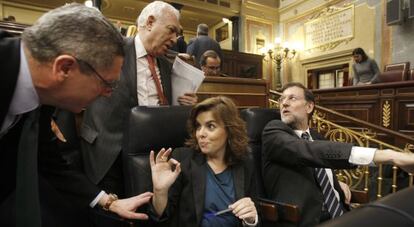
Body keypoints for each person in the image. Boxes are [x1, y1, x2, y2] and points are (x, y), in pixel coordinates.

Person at [0, 4, 153, 227]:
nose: (107, 94)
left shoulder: (43, 93)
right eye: (107, 84)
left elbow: (49, 162)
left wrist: (109, 202)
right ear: (64, 68)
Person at [80, 0, 198, 198]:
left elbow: (169, 110)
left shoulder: (169, 66)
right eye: (171, 30)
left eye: (177, 33)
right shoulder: (110, 48)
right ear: (150, 22)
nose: (175, 39)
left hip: (151, 156)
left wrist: (187, 105)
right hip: (108, 152)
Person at [262, 82, 414, 227]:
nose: (284, 103)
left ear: (309, 106)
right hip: (307, 221)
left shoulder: (317, 136)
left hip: (342, 214)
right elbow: (309, 151)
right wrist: (390, 155)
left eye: (292, 98)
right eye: (281, 99)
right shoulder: (273, 132)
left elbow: (318, 161)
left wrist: (334, 183)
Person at [149, 96, 258, 227]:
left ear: (229, 130)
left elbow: (255, 214)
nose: (201, 133)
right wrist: (160, 191)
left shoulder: (244, 162)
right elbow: (162, 218)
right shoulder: (182, 160)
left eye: (210, 126)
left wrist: (251, 220)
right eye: (198, 126)